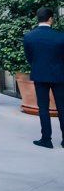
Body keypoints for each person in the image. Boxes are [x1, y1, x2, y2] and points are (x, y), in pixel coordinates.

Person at [24, 8, 64, 149]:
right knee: (62, 107)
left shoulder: (29, 36)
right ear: (51, 19)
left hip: (39, 75)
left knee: (43, 108)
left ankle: (46, 139)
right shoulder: (60, 36)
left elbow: (29, 57)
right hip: (59, 75)